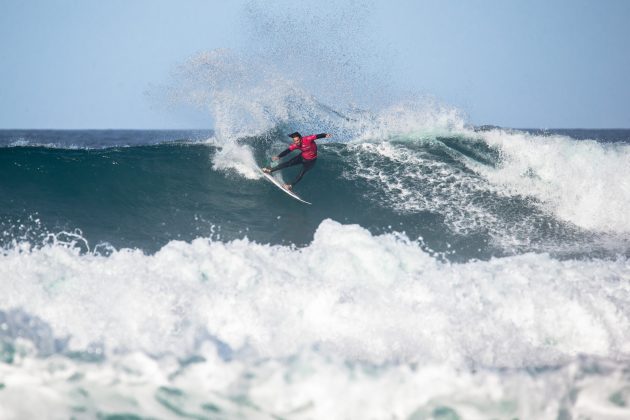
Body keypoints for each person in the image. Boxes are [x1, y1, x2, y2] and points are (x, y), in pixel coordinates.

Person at [263, 131, 332, 190]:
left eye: (297, 140)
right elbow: (287, 151)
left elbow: (317, 136)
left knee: (301, 173)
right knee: (288, 163)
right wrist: (279, 156)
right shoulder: (295, 145)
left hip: (311, 160)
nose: (296, 142)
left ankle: (290, 186)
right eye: (294, 141)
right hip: (302, 157)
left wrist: (325, 135)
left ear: (301, 139)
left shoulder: (308, 139)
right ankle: (270, 170)